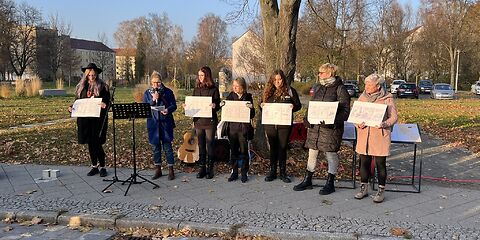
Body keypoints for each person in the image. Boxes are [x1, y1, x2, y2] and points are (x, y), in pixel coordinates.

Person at [293, 63, 350, 195]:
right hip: (315, 128)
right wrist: (306, 118)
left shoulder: (340, 89)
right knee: (312, 153)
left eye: (321, 73)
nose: (319, 75)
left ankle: (330, 182)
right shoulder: (318, 87)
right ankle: (308, 179)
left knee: (330, 154)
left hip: (330, 129)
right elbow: (312, 105)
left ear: (330, 73)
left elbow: (345, 111)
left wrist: (332, 121)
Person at [354, 73, 398, 203]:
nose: (366, 87)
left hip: (380, 135)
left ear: (378, 86)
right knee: (364, 162)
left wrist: (385, 124)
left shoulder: (387, 98)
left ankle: (381, 190)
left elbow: (394, 117)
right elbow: (355, 115)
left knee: (380, 164)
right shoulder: (362, 97)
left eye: (369, 84)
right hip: (364, 135)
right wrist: (358, 123)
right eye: (366, 84)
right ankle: (364, 188)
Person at [68, 63, 110, 177]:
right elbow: (77, 101)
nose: (92, 77)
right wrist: (72, 107)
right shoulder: (81, 87)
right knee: (90, 144)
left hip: (98, 119)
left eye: (94, 75)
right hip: (85, 119)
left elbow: (108, 101)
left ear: (96, 75)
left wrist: (104, 104)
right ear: (86, 75)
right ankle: (94, 166)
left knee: (97, 143)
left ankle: (102, 166)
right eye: (89, 75)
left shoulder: (102, 86)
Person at [261, 69, 302, 183]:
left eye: (279, 79)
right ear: (272, 80)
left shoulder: (289, 90)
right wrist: (262, 105)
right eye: (275, 79)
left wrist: (293, 106)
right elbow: (261, 106)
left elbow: (298, 105)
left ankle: (283, 173)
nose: (277, 82)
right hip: (270, 124)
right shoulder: (267, 91)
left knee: (283, 148)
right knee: (273, 148)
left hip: (284, 124)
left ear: (283, 79)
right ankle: (272, 172)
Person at [143, 71, 177, 180]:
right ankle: (158, 169)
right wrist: (153, 99)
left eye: (158, 82)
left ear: (161, 82)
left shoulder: (167, 92)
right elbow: (145, 106)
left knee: (167, 147)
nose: (156, 85)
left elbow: (174, 105)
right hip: (153, 123)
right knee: (155, 148)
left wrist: (168, 109)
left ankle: (171, 169)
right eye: (153, 82)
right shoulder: (147, 93)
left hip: (165, 122)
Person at [222, 77, 255, 183]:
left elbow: (252, 115)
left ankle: (244, 172)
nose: (234, 88)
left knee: (244, 151)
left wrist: (251, 108)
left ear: (242, 87)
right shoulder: (231, 96)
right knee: (234, 151)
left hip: (243, 129)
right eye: (234, 86)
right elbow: (225, 109)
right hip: (232, 129)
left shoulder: (248, 96)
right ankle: (234, 172)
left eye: (237, 86)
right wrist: (222, 105)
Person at [191, 66, 221, 179]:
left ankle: (210, 168)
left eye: (202, 75)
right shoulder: (196, 89)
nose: (200, 77)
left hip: (210, 121)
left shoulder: (214, 89)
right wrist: (187, 107)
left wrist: (215, 105)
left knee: (210, 145)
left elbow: (218, 104)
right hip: (199, 121)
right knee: (201, 145)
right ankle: (202, 168)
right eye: (199, 75)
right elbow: (193, 104)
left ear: (207, 76)